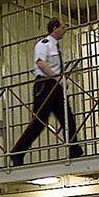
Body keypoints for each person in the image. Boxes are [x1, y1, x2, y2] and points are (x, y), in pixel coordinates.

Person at [10, 17, 84, 165]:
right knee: (39, 122)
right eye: (63, 27)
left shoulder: (55, 46)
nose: (65, 30)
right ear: (54, 28)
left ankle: (74, 149)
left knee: (67, 118)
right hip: (45, 85)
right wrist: (58, 78)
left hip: (55, 86)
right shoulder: (44, 44)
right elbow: (41, 63)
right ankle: (17, 152)